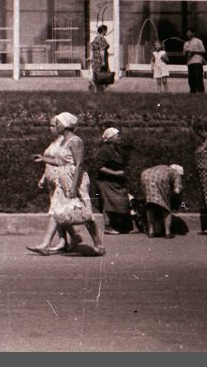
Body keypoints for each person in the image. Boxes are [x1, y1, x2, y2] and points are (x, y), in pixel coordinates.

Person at [28, 112, 105, 256]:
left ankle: (98, 245)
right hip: (63, 180)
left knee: (85, 213)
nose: (55, 126)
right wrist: (43, 159)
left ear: (66, 124)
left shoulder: (75, 141)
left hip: (75, 179)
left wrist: (74, 188)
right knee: (56, 209)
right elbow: (60, 161)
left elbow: (79, 164)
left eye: (57, 123)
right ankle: (45, 244)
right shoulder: (63, 141)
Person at [91, 127, 132, 234]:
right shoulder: (105, 150)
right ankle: (108, 226)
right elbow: (99, 167)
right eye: (117, 136)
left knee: (120, 202)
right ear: (110, 138)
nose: (120, 137)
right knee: (108, 203)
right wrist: (116, 173)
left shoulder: (117, 150)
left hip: (116, 181)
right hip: (106, 181)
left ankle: (119, 226)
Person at [139, 164, 184, 238]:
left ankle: (151, 231)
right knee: (166, 208)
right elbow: (177, 190)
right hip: (160, 179)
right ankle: (168, 233)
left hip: (145, 175)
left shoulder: (162, 168)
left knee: (150, 206)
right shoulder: (175, 173)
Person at [88, 25, 111, 92]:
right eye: (106, 30)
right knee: (104, 74)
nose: (106, 31)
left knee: (96, 73)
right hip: (100, 59)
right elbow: (102, 50)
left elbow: (92, 49)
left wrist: (91, 57)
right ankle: (103, 89)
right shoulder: (102, 39)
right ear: (103, 31)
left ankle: (95, 87)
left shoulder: (95, 38)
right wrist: (103, 61)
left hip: (95, 59)